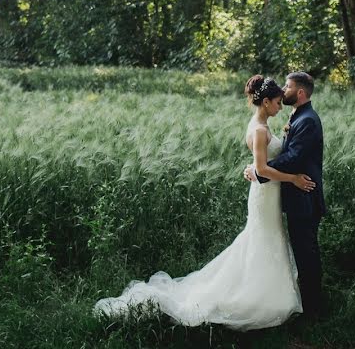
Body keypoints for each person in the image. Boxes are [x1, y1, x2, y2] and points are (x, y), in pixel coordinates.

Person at [93, 76, 315, 330]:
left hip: (268, 193)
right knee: (263, 239)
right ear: (265, 102)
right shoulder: (259, 130)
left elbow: (261, 166)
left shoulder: (262, 124)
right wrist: (293, 179)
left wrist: (263, 165)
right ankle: (256, 298)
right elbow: (263, 169)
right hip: (264, 193)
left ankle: (266, 294)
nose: (280, 106)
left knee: (265, 238)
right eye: (277, 102)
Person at [244, 71, 325, 319]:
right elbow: (280, 157)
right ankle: (290, 300)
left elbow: (292, 158)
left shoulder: (307, 120)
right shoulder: (297, 116)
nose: (283, 90)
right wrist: (260, 170)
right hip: (285, 195)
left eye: (287, 87)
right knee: (298, 249)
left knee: (306, 251)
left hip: (305, 195)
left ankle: (314, 310)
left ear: (299, 92)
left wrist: (260, 173)